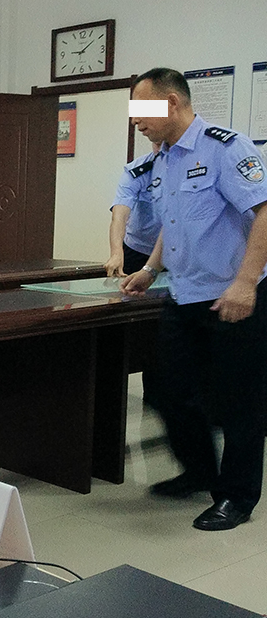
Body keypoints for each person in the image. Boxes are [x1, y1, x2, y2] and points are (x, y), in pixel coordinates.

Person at [122, 67, 267, 531]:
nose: (136, 121)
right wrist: (149, 269)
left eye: (142, 110)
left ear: (171, 102)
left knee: (239, 402)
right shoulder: (163, 159)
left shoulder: (226, 148)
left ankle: (236, 497)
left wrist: (246, 282)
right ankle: (201, 471)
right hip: (183, 293)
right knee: (168, 390)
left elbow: (264, 212)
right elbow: (174, 221)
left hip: (231, 295)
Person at [105, 141, 162, 277]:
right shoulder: (137, 171)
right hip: (139, 250)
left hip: (181, 252)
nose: (161, 151)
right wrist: (116, 253)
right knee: (127, 289)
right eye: (157, 144)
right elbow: (119, 217)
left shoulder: (195, 167)